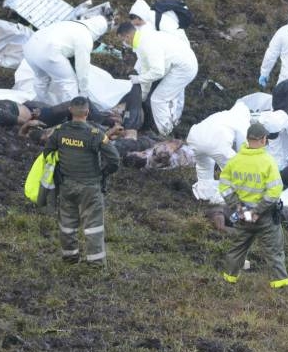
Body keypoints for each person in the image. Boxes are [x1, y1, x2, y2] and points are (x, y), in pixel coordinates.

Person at [42, 97, 121, 266]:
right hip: (90, 187)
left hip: (67, 185)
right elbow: (114, 159)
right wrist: (103, 173)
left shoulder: (60, 131)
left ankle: (69, 258)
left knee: (67, 225)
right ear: (87, 112)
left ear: (70, 110)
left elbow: (47, 153)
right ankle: (96, 264)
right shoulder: (95, 134)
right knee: (93, 227)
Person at [219, 123, 288, 289]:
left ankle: (228, 282)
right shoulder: (268, 162)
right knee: (274, 252)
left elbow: (224, 186)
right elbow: (274, 191)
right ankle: (280, 287)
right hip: (264, 217)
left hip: (242, 214)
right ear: (263, 139)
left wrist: (238, 207)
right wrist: (257, 211)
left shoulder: (234, 161)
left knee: (236, 250)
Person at [116, 22, 198, 136]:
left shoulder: (146, 44)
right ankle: (168, 124)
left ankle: (165, 132)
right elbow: (147, 70)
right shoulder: (141, 42)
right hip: (179, 63)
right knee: (158, 96)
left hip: (183, 68)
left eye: (122, 40)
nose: (123, 43)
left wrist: (139, 79)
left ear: (127, 36)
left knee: (158, 99)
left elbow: (157, 71)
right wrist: (142, 95)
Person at [23, 16, 110, 104]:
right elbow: (82, 68)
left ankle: (41, 105)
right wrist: (84, 92)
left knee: (41, 79)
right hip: (48, 51)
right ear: (99, 33)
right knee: (69, 82)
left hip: (29, 47)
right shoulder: (85, 36)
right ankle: (71, 112)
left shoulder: (71, 23)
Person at [186, 102, 251, 204]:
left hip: (194, 138)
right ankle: (220, 199)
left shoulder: (222, 114)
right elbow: (243, 146)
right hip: (216, 143)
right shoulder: (243, 121)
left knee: (204, 167)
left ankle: (204, 193)